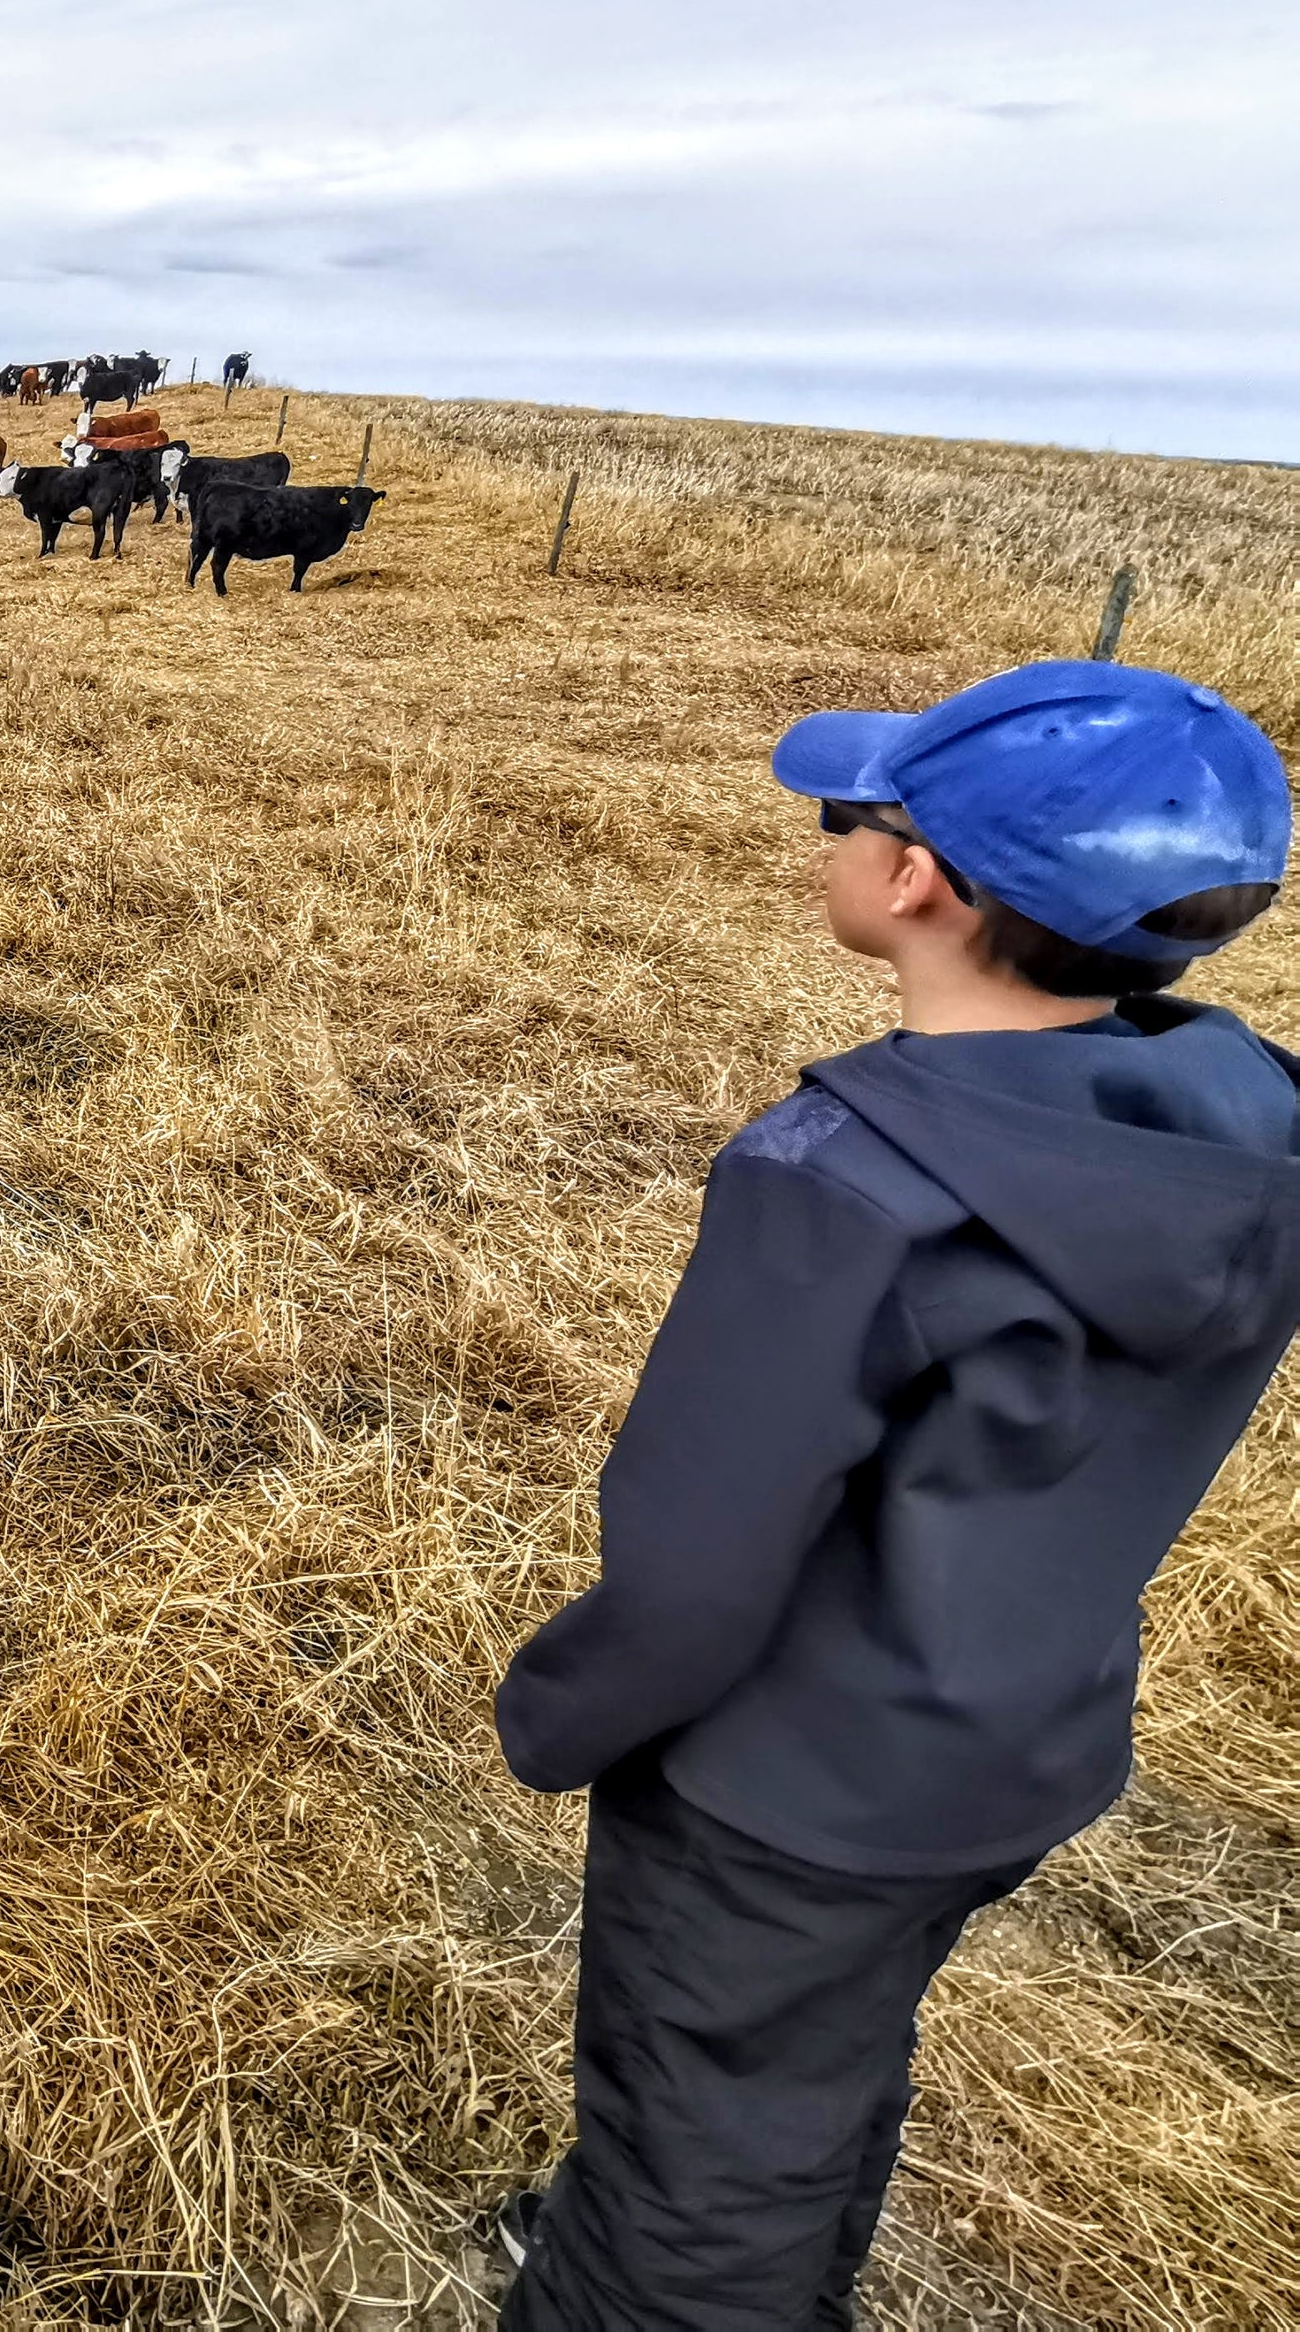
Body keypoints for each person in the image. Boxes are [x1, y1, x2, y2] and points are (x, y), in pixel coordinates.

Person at [488, 659, 1300, 2324]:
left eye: (852, 815)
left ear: (911, 881)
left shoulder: (847, 1183)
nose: (830, 836)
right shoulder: (1245, 1126)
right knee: (814, 2067)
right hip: (1014, 1742)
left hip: (782, 1793)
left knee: (696, 2144)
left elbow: (695, 1569)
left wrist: (560, 1714)